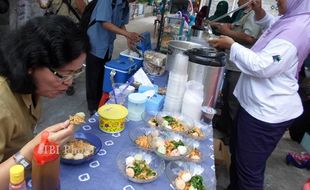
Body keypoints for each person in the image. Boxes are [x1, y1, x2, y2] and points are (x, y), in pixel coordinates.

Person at [208, 0, 310, 189]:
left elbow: (262, 66)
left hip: (266, 113)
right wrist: (260, 12)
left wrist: (231, 44)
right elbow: (272, 26)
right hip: (253, 106)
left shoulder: (297, 30)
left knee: (249, 173)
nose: (277, 0)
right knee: (239, 158)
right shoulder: (292, 19)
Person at [0, 15, 90, 189]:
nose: (69, 82)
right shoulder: (2, 103)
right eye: (63, 74)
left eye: (76, 72)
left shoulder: (32, 87)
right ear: (31, 64)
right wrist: (32, 149)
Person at [211, 0, 262, 141]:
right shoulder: (244, 14)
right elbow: (234, 28)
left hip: (239, 67)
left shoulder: (253, 16)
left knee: (233, 101)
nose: (238, 1)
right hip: (232, 63)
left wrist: (227, 32)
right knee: (226, 96)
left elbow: (249, 38)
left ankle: (232, 135)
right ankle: (223, 124)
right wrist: (222, 26)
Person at [86, 0, 141, 115]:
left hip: (108, 44)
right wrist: (127, 34)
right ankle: (92, 107)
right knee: (93, 77)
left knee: (103, 74)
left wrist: (128, 38)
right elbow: (104, 22)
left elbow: (120, 23)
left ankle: (100, 103)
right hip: (96, 42)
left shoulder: (125, 4)